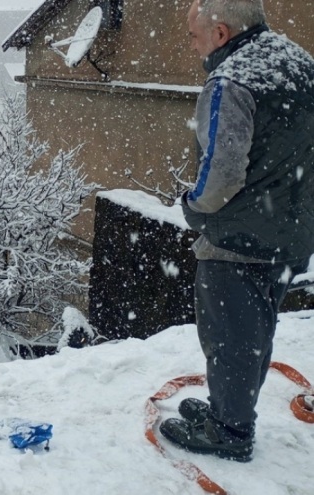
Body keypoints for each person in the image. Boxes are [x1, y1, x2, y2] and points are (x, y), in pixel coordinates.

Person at [159, 0, 314, 462]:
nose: (192, 47)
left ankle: (229, 430)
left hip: (239, 239)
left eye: (193, 37)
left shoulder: (231, 81)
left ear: (221, 33)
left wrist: (194, 206)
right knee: (257, 329)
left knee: (231, 335)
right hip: (291, 234)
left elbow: (220, 175)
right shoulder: (300, 62)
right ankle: (228, 407)